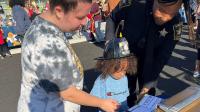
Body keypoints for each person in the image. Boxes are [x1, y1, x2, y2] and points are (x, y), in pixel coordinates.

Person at [17, 0, 119, 112]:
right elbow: (66, 92)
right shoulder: (45, 41)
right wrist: (102, 103)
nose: (85, 22)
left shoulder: (47, 26)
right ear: (59, 11)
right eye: (80, 17)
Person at [105, 0, 184, 107]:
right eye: (161, 9)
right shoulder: (132, 3)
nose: (164, 17)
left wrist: (148, 86)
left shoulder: (176, 24)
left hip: (151, 65)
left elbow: (163, 57)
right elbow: (112, 18)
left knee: (147, 101)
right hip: (126, 59)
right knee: (124, 95)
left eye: (172, 13)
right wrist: (110, 44)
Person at [90, 35, 137, 112]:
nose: (122, 74)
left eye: (125, 70)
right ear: (109, 66)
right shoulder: (101, 81)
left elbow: (125, 99)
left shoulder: (124, 78)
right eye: (119, 70)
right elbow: (92, 100)